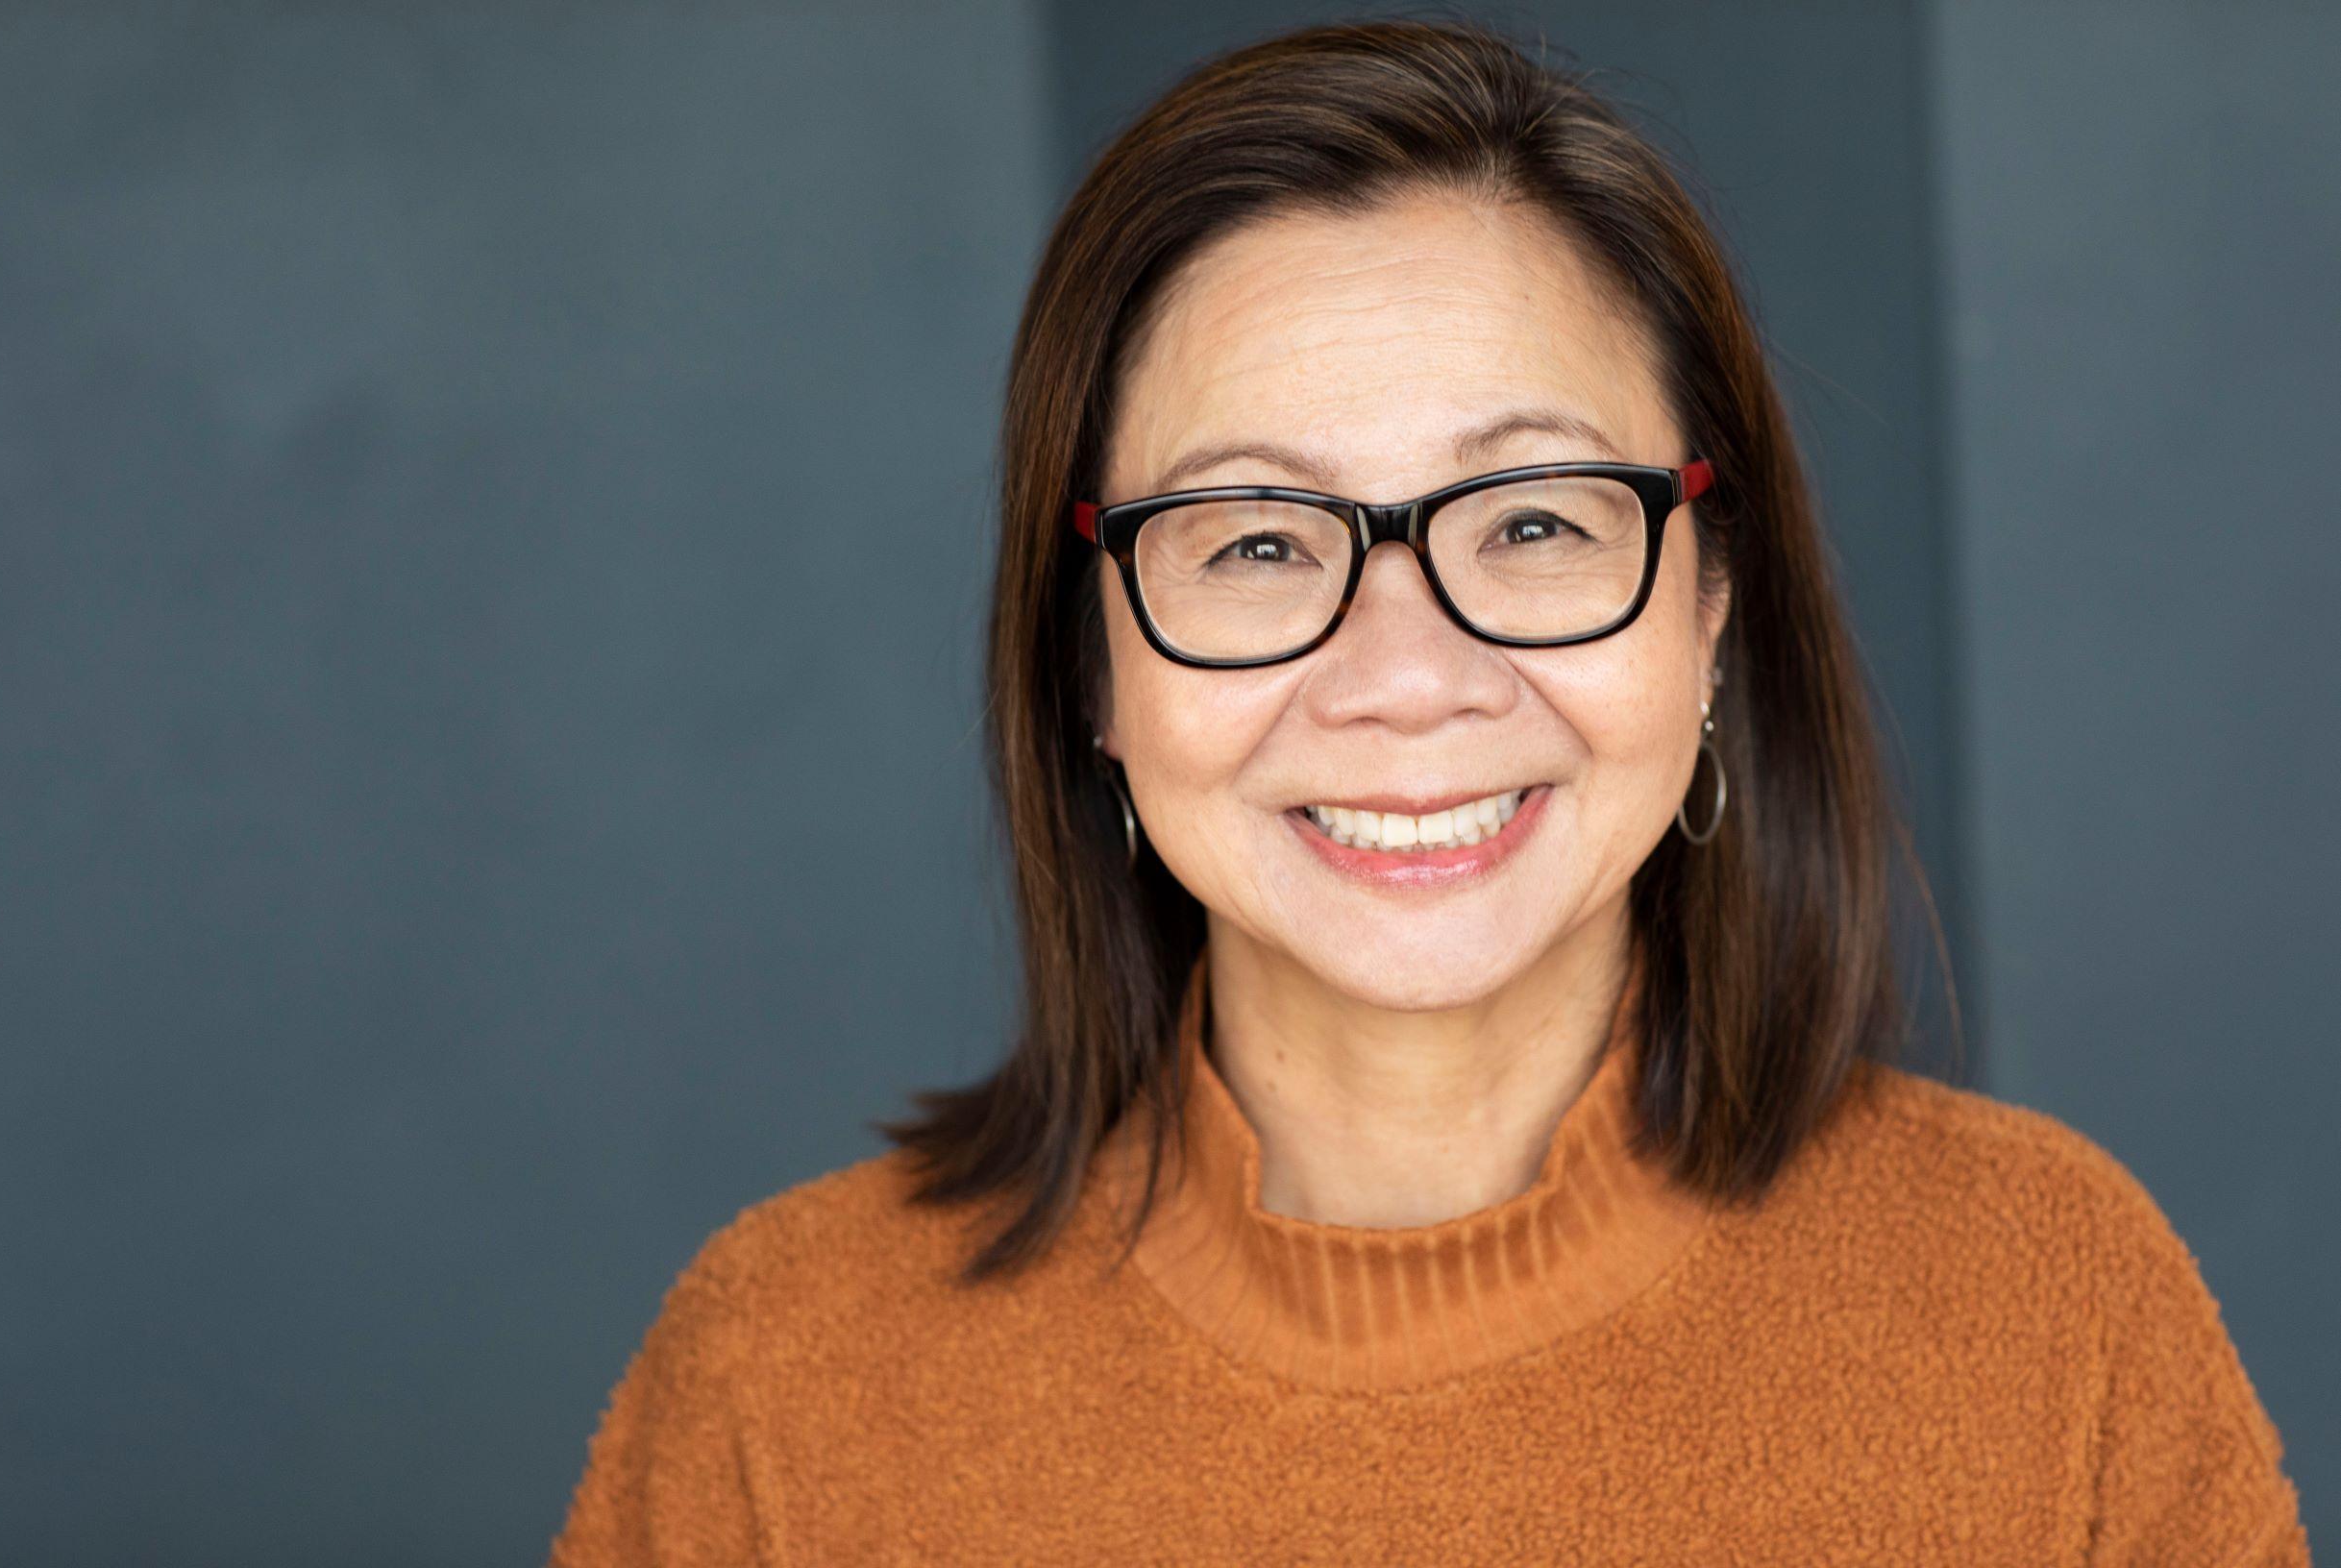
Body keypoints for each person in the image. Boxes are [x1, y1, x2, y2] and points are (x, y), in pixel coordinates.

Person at [549, 17, 2308, 1564]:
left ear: (1709, 605)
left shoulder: (2049, 1307)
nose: (1404, 675)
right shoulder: (780, 1382)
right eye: (1253, 540)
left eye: (1532, 521)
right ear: (1090, 666)